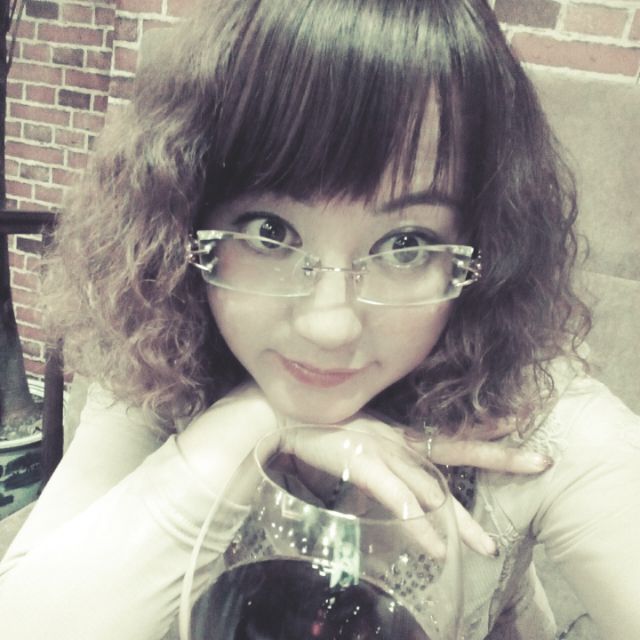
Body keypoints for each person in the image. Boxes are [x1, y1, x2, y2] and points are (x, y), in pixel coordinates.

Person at [1, 0, 639, 638]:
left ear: (486, 248)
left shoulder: (528, 422)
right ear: (184, 219)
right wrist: (248, 425)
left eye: (405, 245)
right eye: (270, 233)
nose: (328, 328)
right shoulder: (162, 360)